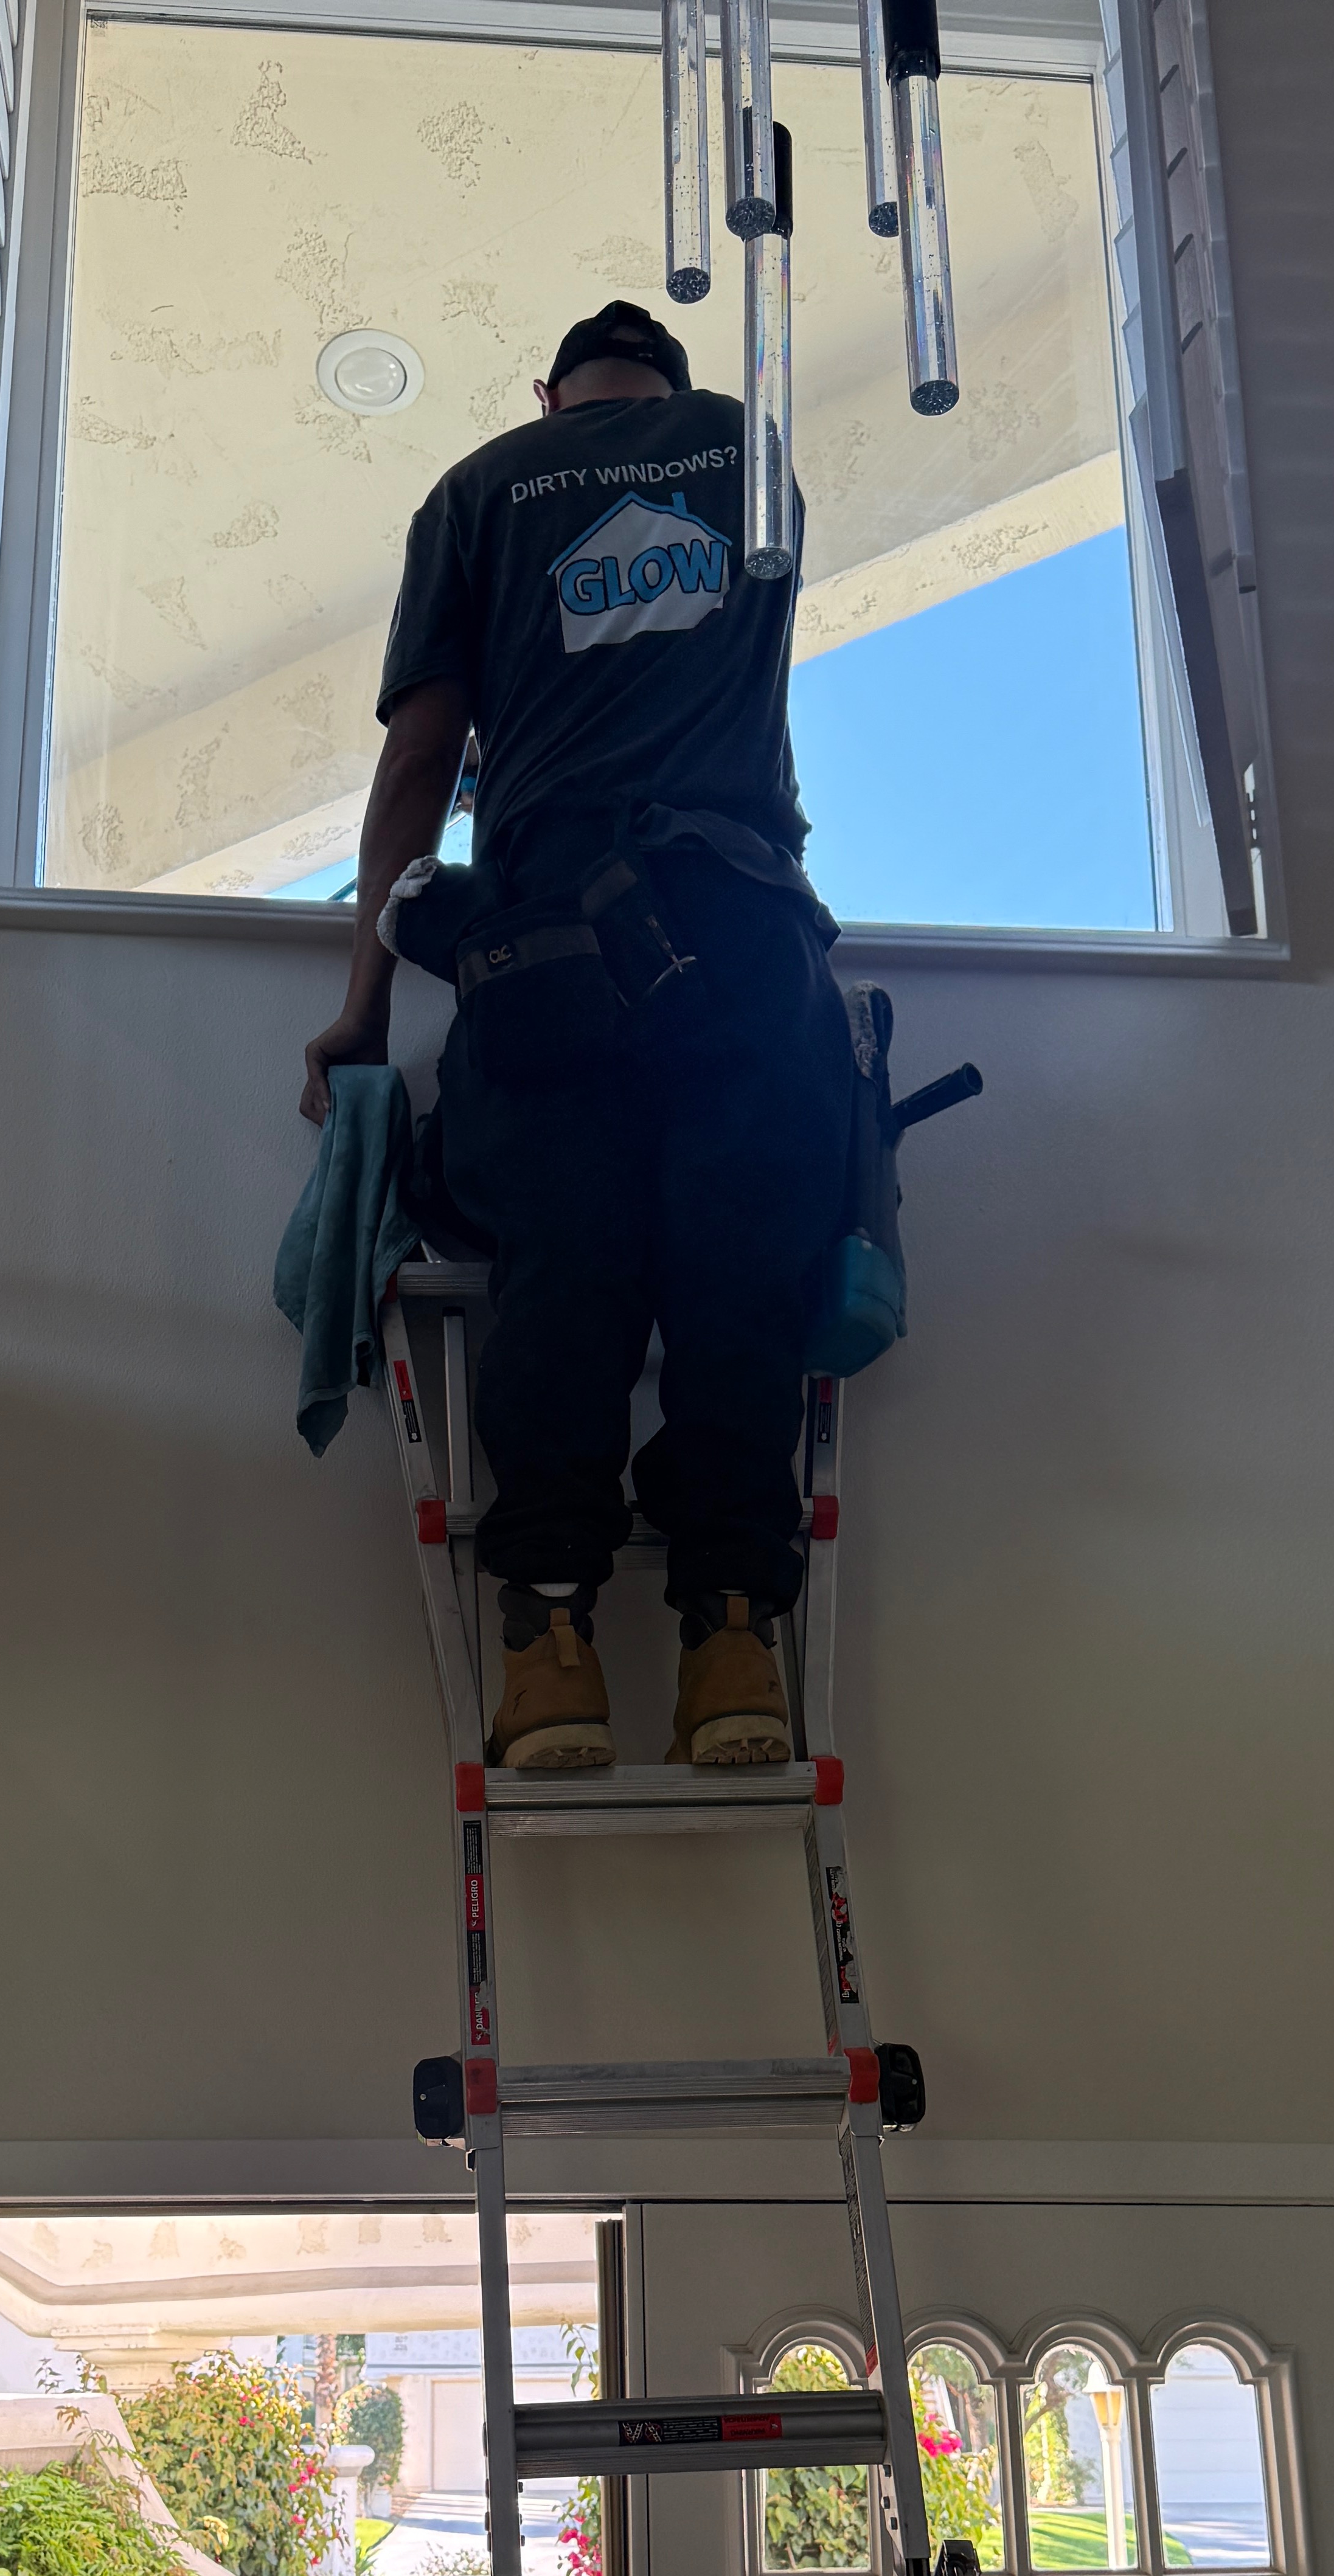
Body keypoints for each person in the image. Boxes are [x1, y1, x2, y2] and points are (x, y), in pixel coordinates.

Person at [299, 299, 854, 1775]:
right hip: (738, 935)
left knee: (563, 1274)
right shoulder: (752, 450)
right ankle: (733, 1636)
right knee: (737, 1265)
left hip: (546, 951)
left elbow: (423, 756)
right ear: (665, 387)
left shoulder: (479, 489)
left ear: (549, 395)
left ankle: (553, 1648)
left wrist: (362, 1008)